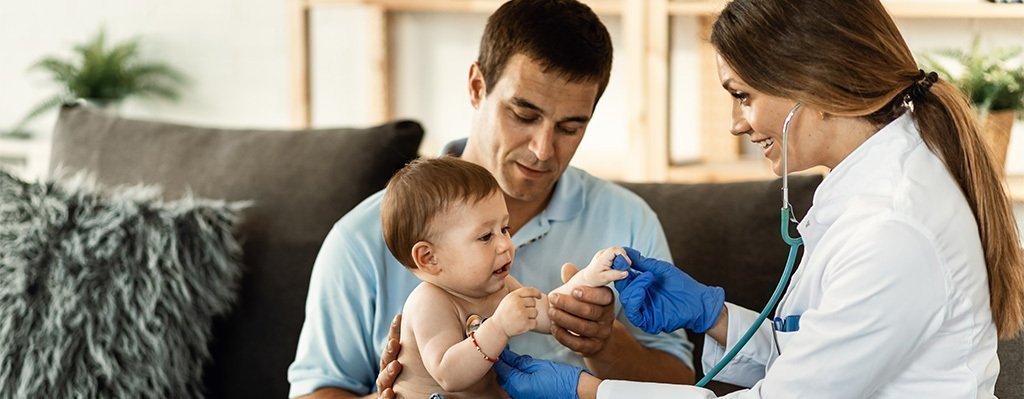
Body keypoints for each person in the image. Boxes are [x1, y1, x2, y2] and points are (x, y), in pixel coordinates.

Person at [491, 0, 1024, 398]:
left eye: (742, 95)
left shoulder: (893, 229)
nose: (735, 124)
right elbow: (803, 360)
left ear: (812, 80)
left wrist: (586, 390)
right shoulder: (866, 190)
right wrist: (711, 314)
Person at [287, 1, 696, 397]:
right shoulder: (361, 238)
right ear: (477, 86)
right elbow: (315, 390)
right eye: (524, 115)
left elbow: (684, 385)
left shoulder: (626, 220)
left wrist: (604, 344)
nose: (542, 149)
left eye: (569, 127)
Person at [380, 157, 630, 398]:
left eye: (504, 229)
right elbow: (449, 375)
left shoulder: (500, 288)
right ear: (429, 258)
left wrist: (588, 277)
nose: (505, 245)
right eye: (486, 236)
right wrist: (498, 327)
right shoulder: (429, 302)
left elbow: (553, 312)